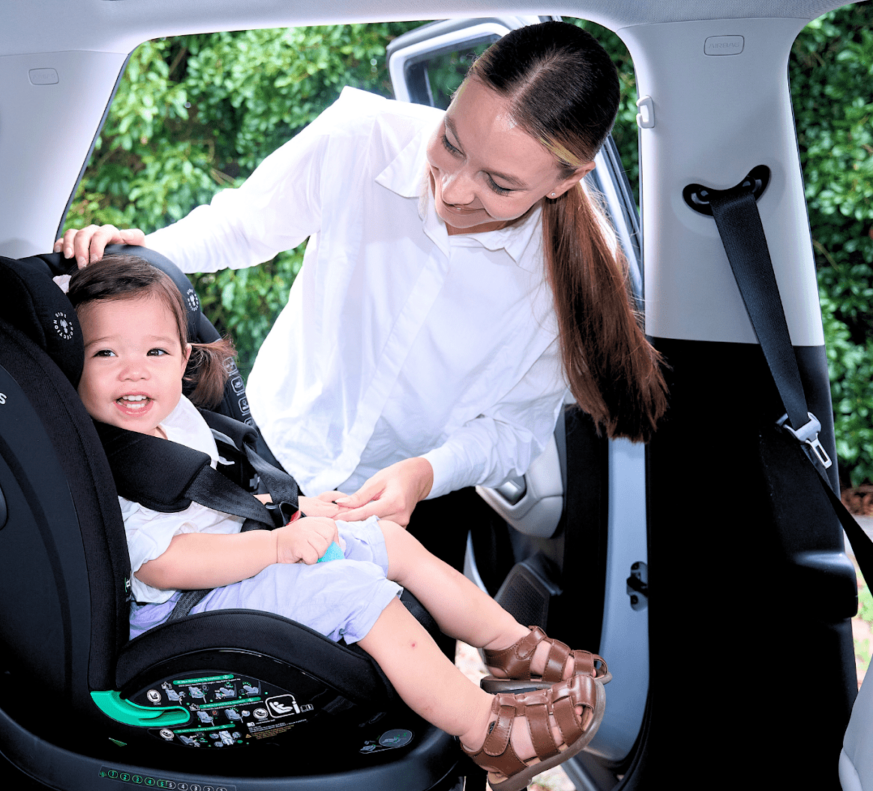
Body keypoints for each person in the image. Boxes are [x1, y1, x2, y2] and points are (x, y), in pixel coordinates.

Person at [55, 21, 668, 571]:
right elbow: (241, 225)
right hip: (262, 461)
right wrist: (138, 256)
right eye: (452, 142)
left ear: (569, 179)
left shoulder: (572, 276)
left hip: (410, 512)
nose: (453, 191)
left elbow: (514, 430)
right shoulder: (362, 136)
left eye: (500, 184)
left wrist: (426, 474)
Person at [62, 254, 607, 791]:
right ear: (73, 364)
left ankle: (512, 647)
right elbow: (163, 563)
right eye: (105, 352)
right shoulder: (107, 464)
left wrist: (291, 508)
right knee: (352, 591)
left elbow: (208, 497)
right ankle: (489, 733)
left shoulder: (173, 415)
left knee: (389, 539)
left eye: (155, 351)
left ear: (184, 358)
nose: (134, 370)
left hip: (236, 558)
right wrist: (277, 545)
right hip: (184, 605)